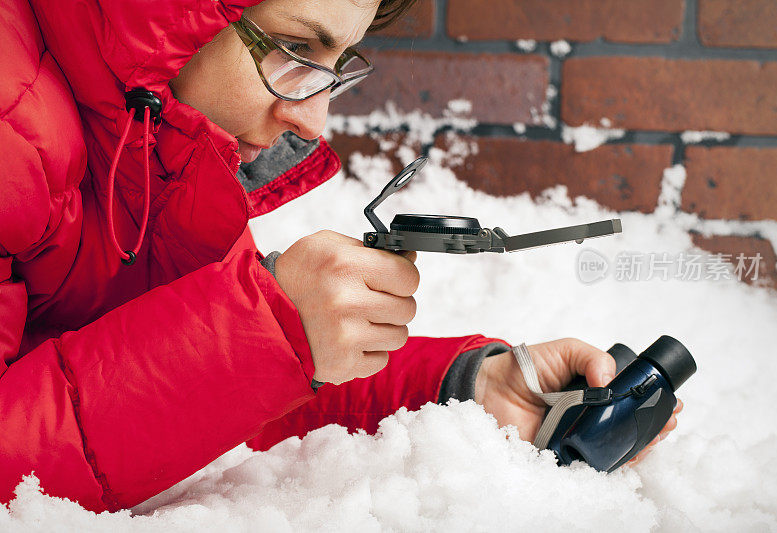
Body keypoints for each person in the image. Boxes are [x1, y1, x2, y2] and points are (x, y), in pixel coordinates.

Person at [0, 0, 681, 513]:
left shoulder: (156, 147)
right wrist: (265, 328)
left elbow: (194, 393)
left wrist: (466, 384)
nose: (314, 121)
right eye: (295, 46)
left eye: (336, 62)